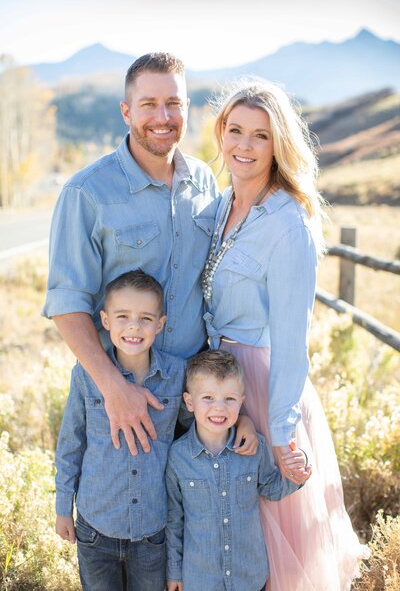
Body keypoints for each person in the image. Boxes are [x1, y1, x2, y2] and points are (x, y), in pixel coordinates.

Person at [42, 52, 256, 455]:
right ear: (126, 111)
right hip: (125, 394)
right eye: (148, 104)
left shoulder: (205, 183)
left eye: (174, 103)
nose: (163, 116)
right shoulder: (86, 192)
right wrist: (114, 388)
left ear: (187, 109)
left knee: (195, 514)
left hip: (196, 399)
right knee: (121, 514)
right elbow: (67, 304)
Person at [201, 79, 369, 590]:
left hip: (264, 384)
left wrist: (280, 433)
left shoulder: (289, 223)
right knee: (224, 541)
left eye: (260, 136)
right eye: (235, 131)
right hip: (214, 382)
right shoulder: (218, 208)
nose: (244, 146)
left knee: (269, 551)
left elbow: (293, 342)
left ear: (279, 145)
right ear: (220, 133)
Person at [55, 270, 186, 590]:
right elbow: (71, 441)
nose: (133, 326)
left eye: (145, 318)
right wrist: (62, 508)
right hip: (95, 527)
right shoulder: (87, 374)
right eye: (123, 316)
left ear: (160, 323)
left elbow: (198, 428)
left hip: (152, 532)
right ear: (106, 320)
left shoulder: (177, 374)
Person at [166, 350, 311, 591]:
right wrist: (174, 571)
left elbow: (272, 488)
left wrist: (296, 474)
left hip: (249, 576)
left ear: (241, 401)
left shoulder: (255, 447)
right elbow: (174, 518)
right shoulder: (178, 457)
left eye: (229, 399)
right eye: (208, 398)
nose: (219, 408)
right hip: (200, 578)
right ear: (189, 402)